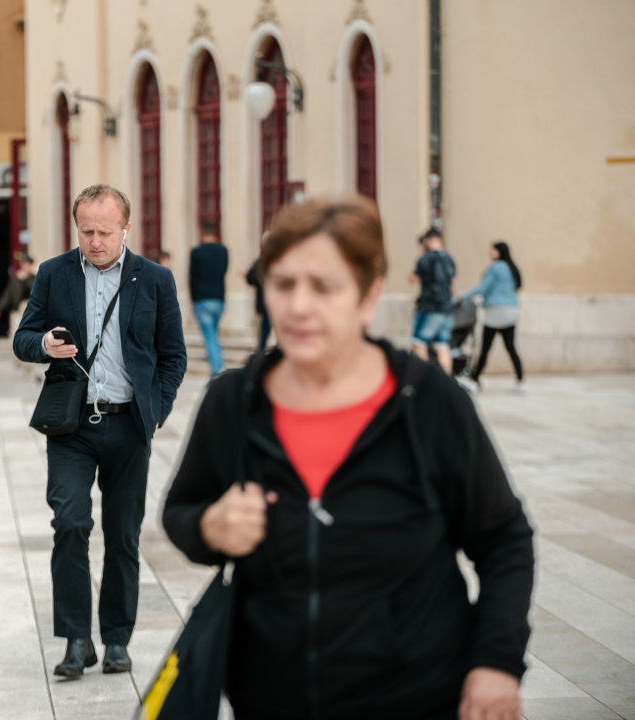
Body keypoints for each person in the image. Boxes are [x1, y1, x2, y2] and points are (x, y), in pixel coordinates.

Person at [163, 197, 534, 720]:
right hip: (271, 703)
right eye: (283, 283)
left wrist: (497, 662)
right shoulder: (233, 402)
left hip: (418, 699)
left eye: (324, 286)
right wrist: (209, 526)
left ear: (369, 295)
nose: (298, 306)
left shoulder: (429, 402)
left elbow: (504, 538)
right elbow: (180, 511)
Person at [13, 184, 187, 678]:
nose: (95, 241)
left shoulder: (155, 279)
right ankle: (76, 640)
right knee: (70, 524)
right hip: (71, 426)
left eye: (105, 232)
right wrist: (43, 344)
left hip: (129, 425)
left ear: (125, 228)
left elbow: (173, 356)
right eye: (86, 231)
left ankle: (116, 639)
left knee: (123, 535)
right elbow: (23, 338)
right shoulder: (54, 273)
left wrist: (156, 411)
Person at [459, 241, 524, 394]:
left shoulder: (494, 267)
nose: (490, 253)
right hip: (512, 310)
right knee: (511, 347)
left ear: (498, 252)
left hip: (496, 311)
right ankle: (520, 382)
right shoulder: (512, 267)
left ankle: (473, 381)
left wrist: (463, 295)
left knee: (485, 348)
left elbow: (483, 288)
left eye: (492, 250)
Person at [408, 228, 457, 374]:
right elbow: (452, 285)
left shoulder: (425, 258)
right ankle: (447, 382)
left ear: (428, 241)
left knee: (418, 344)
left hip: (429, 307)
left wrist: (421, 255)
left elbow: (412, 278)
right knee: (442, 347)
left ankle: (424, 379)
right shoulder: (450, 258)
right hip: (447, 308)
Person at [189, 221, 229, 376]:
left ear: (202, 233)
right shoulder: (223, 251)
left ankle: (217, 371)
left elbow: (192, 278)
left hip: (202, 300)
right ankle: (217, 365)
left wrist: (192, 300)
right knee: (213, 335)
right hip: (219, 299)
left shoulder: (197, 252)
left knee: (210, 337)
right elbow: (224, 271)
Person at [0, 252, 36, 327]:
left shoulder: (34, 279)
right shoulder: (14, 279)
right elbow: (7, 295)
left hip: (32, 312)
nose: (28, 265)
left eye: (30, 263)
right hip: (18, 312)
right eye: (26, 263)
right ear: (21, 264)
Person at [245, 238, 270, 352]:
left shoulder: (261, 262)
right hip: (268, 305)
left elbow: (251, 278)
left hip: (264, 305)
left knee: (262, 340)